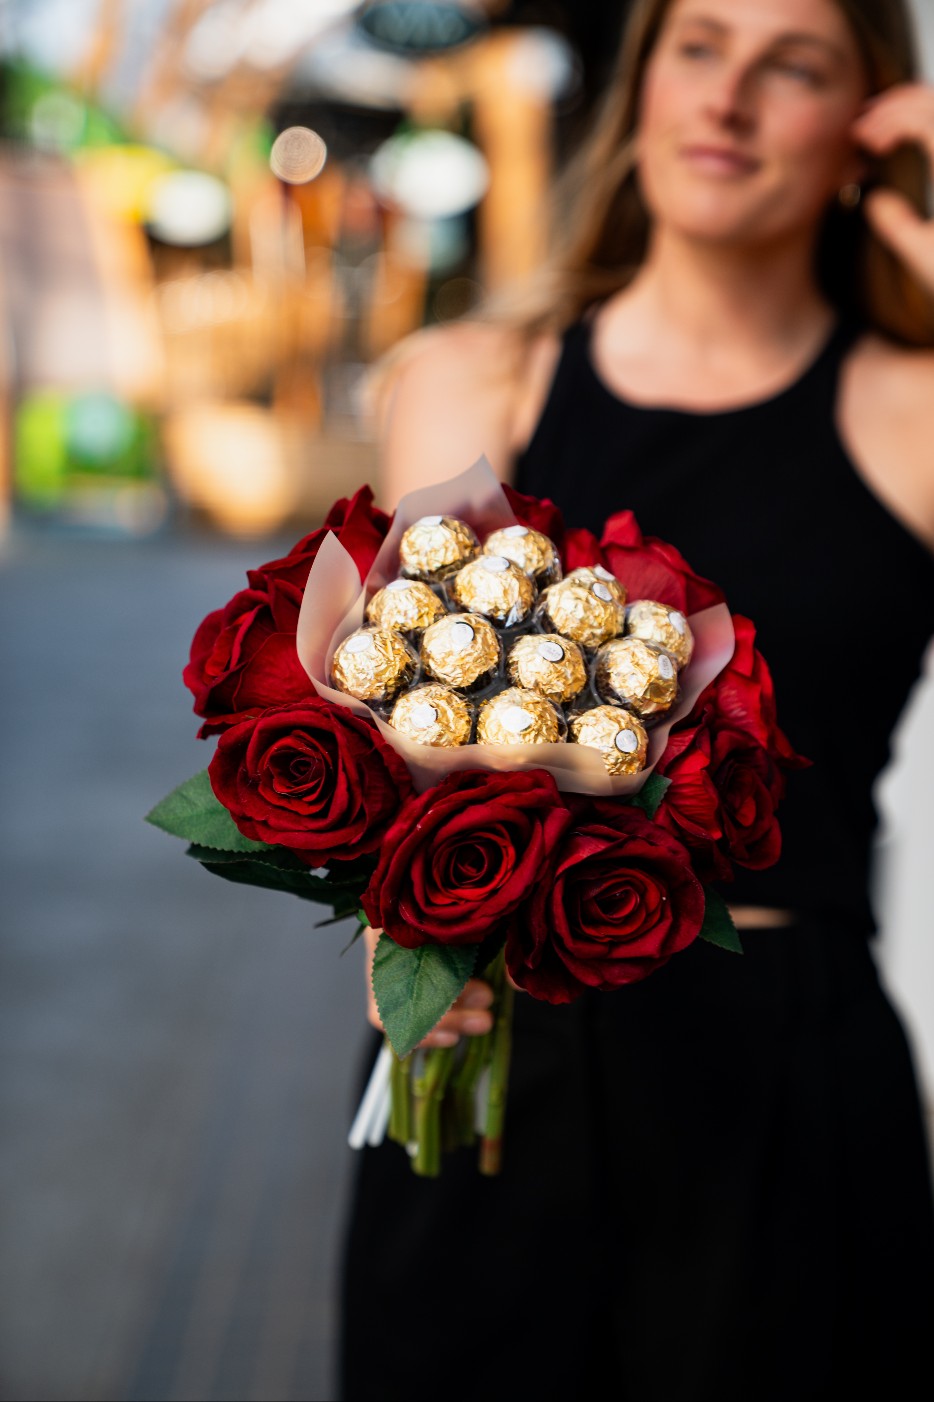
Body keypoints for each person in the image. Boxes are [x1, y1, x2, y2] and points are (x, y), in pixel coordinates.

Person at [339, 1, 934, 1397]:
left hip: (780, 1086)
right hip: (488, 1072)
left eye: (789, 65)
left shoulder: (915, 414)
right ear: (642, 84)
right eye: (697, 45)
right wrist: (389, 912)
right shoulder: (465, 380)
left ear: (868, 125)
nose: (724, 98)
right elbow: (383, 740)